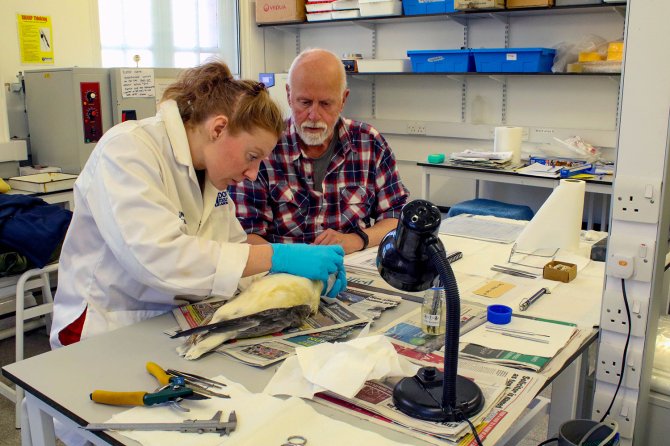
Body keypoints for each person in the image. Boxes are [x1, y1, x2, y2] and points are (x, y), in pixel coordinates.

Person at [50, 60, 347, 351]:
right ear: (218, 129)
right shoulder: (127, 149)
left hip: (168, 320)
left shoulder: (210, 174)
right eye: (251, 156)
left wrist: (297, 281)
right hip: (106, 326)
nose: (252, 174)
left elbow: (232, 248)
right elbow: (159, 259)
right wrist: (278, 256)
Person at [229, 49, 409, 255]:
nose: (313, 115)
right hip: (283, 274)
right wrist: (298, 259)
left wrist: (358, 239)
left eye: (325, 103)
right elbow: (244, 236)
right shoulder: (263, 150)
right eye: (304, 102)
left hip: (350, 267)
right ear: (289, 95)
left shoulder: (369, 142)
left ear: (343, 100)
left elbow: (397, 216)